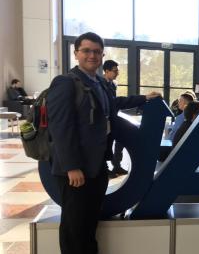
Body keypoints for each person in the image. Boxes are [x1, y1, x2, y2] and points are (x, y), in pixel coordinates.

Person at [47, 32, 161, 254]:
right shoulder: (65, 83)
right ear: (76, 53)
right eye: (87, 50)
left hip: (97, 166)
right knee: (75, 228)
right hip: (76, 171)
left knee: (89, 224)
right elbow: (61, 128)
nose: (92, 55)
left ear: (102, 55)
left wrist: (144, 98)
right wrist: (72, 166)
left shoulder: (99, 82)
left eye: (97, 51)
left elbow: (114, 103)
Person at [102, 60, 127, 178]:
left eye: (117, 71)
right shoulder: (100, 84)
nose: (117, 73)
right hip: (104, 121)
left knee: (119, 141)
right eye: (115, 71)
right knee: (105, 144)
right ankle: (105, 168)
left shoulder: (112, 84)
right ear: (106, 71)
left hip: (113, 118)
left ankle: (116, 164)